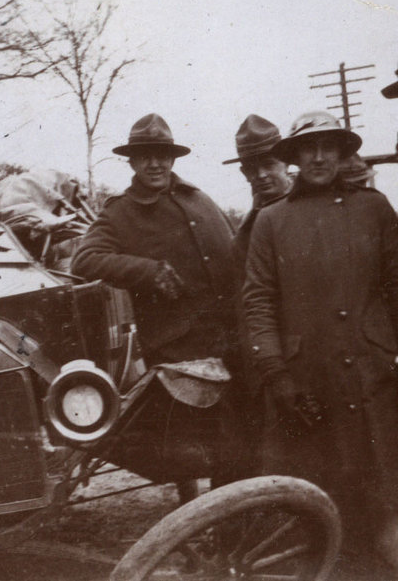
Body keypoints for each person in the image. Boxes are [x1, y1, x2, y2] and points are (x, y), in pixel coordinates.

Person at [243, 110, 398, 573]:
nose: (317, 157)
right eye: (307, 148)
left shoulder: (374, 208)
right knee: (320, 509)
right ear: (293, 157)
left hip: (374, 376)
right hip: (310, 382)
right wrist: (277, 374)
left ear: (341, 152)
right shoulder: (271, 221)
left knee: (385, 494)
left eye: (327, 147)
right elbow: (259, 303)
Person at [72, 113, 239, 369]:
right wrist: (149, 271)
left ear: (172, 159)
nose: (154, 164)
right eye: (144, 156)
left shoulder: (198, 199)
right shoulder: (119, 212)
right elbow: (84, 260)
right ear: (132, 163)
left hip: (230, 341)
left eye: (161, 155)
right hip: (174, 352)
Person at [221, 114, 292, 269]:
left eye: (268, 165)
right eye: (252, 168)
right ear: (244, 173)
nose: (261, 175)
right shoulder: (248, 226)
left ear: (286, 163)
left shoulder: (309, 204)